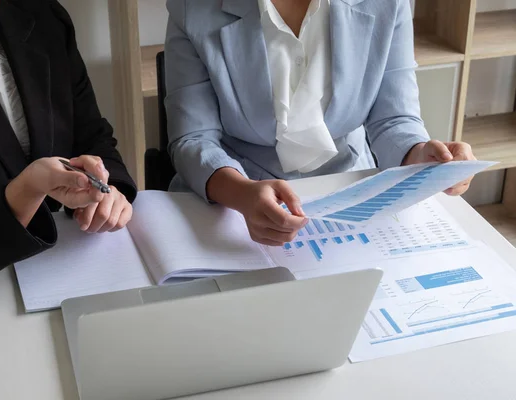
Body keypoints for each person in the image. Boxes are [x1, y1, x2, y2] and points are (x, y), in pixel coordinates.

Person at [164, 0, 476, 247]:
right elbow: (193, 138)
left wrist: (422, 155)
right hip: (236, 194)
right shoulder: (194, 7)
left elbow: (393, 118)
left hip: (351, 190)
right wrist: (241, 192)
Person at [0, 0, 137, 284]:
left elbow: (92, 135)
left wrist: (109, 189)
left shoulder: (43, 16)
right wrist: (29, 188)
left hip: (75, 261)